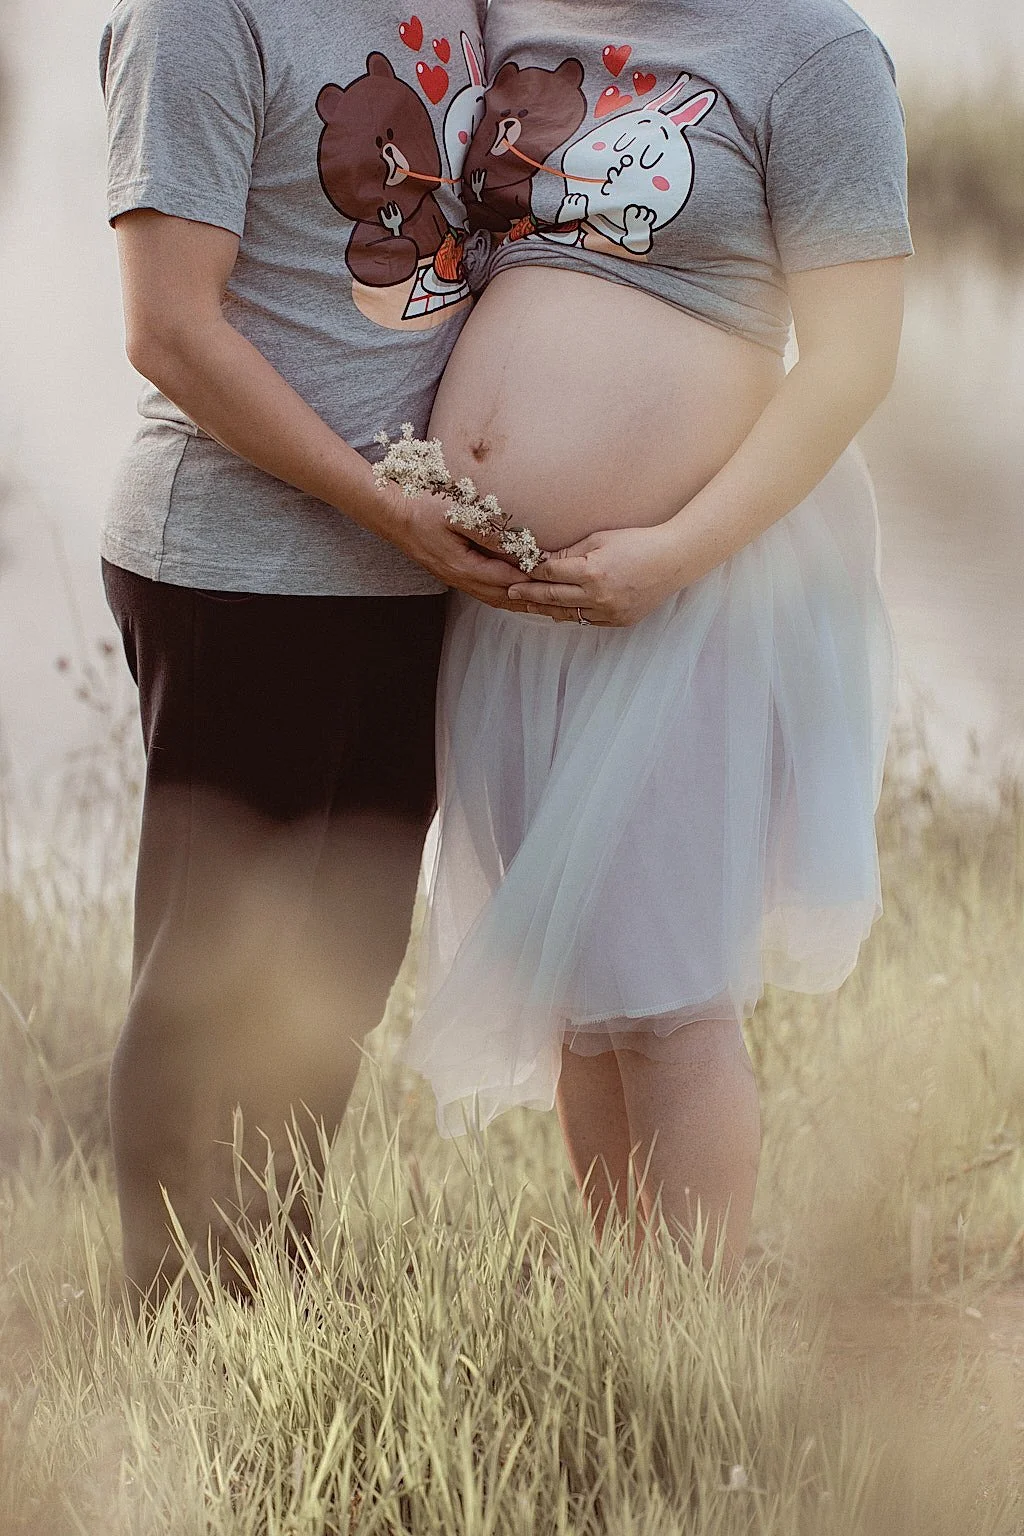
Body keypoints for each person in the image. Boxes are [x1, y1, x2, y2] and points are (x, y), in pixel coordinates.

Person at [398, 0, 915, 1272]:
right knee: (588, 1000)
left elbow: (852, 361)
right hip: (516, 608)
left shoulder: (812, 52)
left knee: (671, 999)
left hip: (694, 592)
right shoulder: (498, 12)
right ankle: (636, 1322)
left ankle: (703, 1347)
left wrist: (675, 553)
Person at [98, 0, 517, 1306]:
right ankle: (175, 1325)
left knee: (340, 965)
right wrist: (377, 501)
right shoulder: (199, 18)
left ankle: (266, 1284)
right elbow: (170, 327)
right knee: (212, 977)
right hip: (239, 570)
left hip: (405, 574)